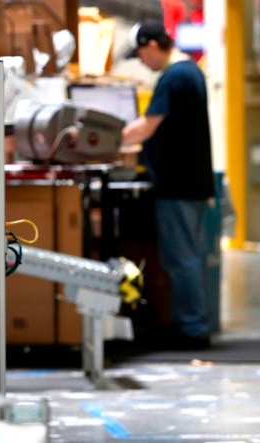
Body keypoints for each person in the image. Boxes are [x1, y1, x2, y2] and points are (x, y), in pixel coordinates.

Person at [122, 18, 214, 350]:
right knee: (190, 256)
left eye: (142, 55)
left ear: (151, 46)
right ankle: (193, 323)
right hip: (192, 182)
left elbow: (147, 126)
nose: (143, 63)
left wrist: (105, 139)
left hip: (179, 185)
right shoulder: (190, 71)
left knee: (181, 258)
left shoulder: (174, 76)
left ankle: (192, 330)